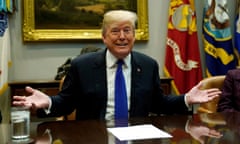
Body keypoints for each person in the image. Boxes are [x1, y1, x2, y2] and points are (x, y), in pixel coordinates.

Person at [13, 10, 221, 121]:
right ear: (104, 37)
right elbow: (66, 103)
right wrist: (48, 102)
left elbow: (159, 103)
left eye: (128, 30)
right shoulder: (82, 66)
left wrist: (186, 99)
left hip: (138, 136)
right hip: (95, 136)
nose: (122, 37)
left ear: (134, 35)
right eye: (115, 31)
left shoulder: (148, 65)